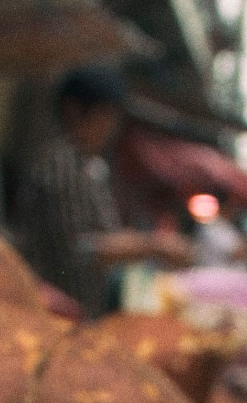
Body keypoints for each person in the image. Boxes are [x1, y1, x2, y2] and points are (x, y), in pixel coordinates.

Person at [15, 66, 191, 317]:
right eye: (105, 116)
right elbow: (80, 248)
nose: (111, 127)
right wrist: (152, 246)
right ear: (74, 110)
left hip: (85, 312)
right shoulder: (61, 167)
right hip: (58, 314)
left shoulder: (90, 166)